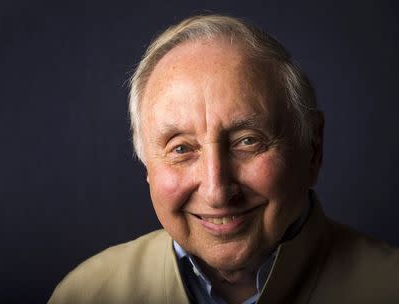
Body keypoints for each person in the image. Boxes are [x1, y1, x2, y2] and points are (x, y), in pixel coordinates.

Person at [48, 14, 399, 304]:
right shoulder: (86, 295)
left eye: (247, 141)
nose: (217, 191)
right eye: (181, 149)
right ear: (148, 167)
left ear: (313, 148)